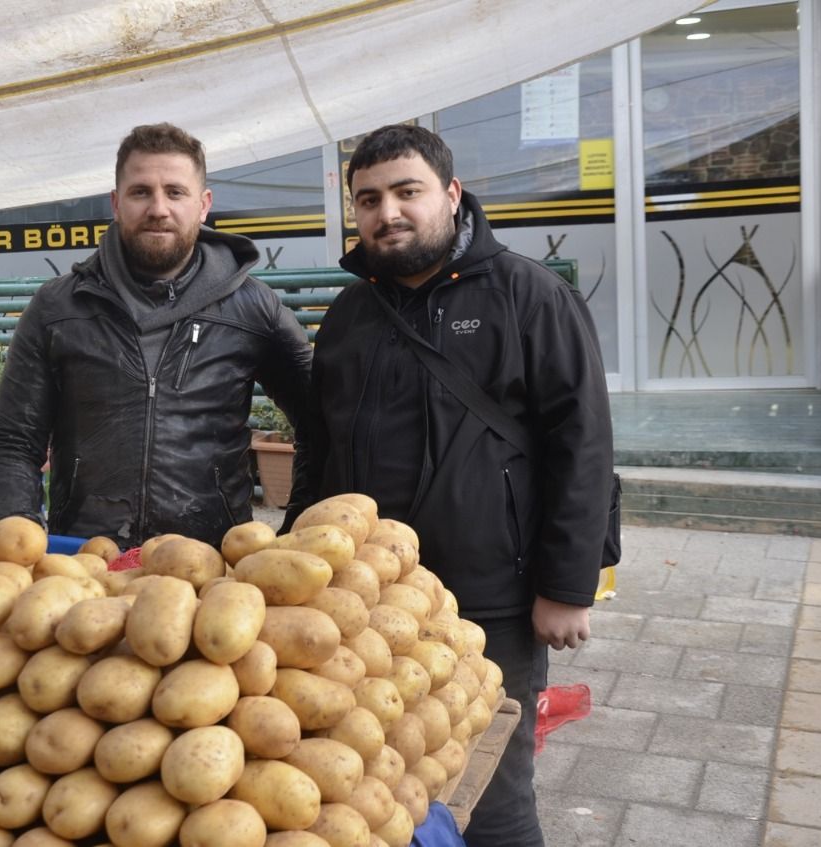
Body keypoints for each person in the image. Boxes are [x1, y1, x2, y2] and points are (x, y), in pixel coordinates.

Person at [286, 124, 614, 846]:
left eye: (408, 192)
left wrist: (568, 584)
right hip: (369, 607)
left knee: (492, 802)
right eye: (368, 199)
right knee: (384, 795)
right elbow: (320, 450)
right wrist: (293, 562)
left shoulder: (530, 297)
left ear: (452, 194)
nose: (388, 213)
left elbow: (582, 445)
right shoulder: (349, 316)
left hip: (493, 598)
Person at [0, 123, 313, 549]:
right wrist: (19, 536)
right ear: (117, 204)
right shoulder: (58, 308)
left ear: (203, 204)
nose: (158, 208)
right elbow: (12, 441)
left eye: (175, 192)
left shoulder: (252, 307)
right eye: (141, 192)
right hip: (87, 560)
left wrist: (298, 525)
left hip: (210, 565)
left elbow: (321, 424)